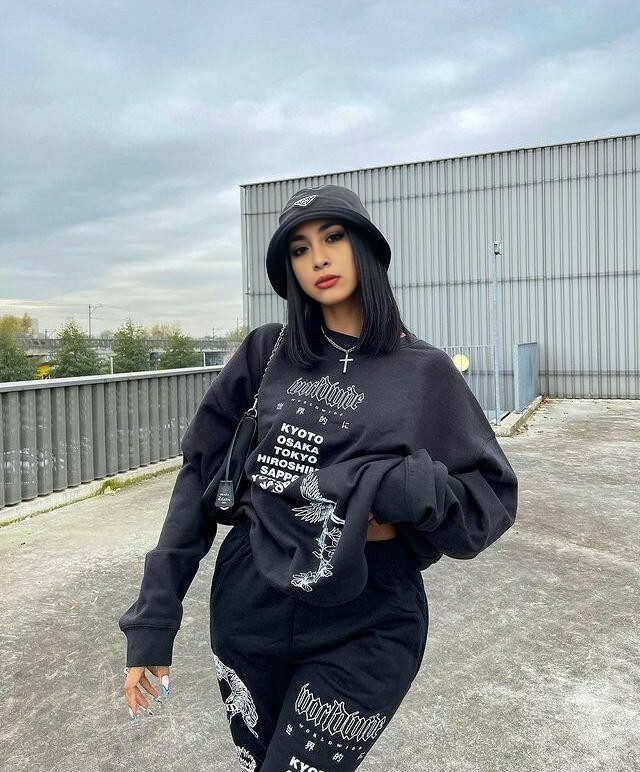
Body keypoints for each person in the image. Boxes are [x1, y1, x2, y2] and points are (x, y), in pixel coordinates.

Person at [119, 184, 519, 770]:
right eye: (300, 249)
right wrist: (154, 618)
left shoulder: (424, 372)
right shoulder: (266, 353)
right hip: (251, 602)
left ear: (366, 247)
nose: (319, 259)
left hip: (370, 616)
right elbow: (198, 479)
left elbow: (489, 501)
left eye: (333, 237)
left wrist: (403, 490)